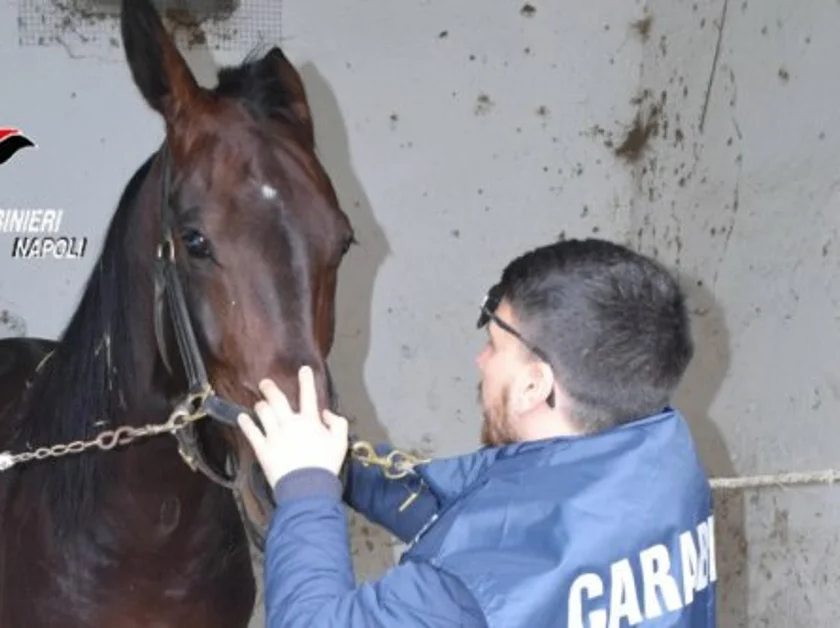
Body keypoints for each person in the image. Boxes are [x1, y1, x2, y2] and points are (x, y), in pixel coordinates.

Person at [237, 237, 718, 627]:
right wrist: (347, 471)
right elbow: (499, 512)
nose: (481, 360)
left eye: (493, 344)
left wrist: (305, 488)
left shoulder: (466, 590)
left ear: (534, 385)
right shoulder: (663, 452)